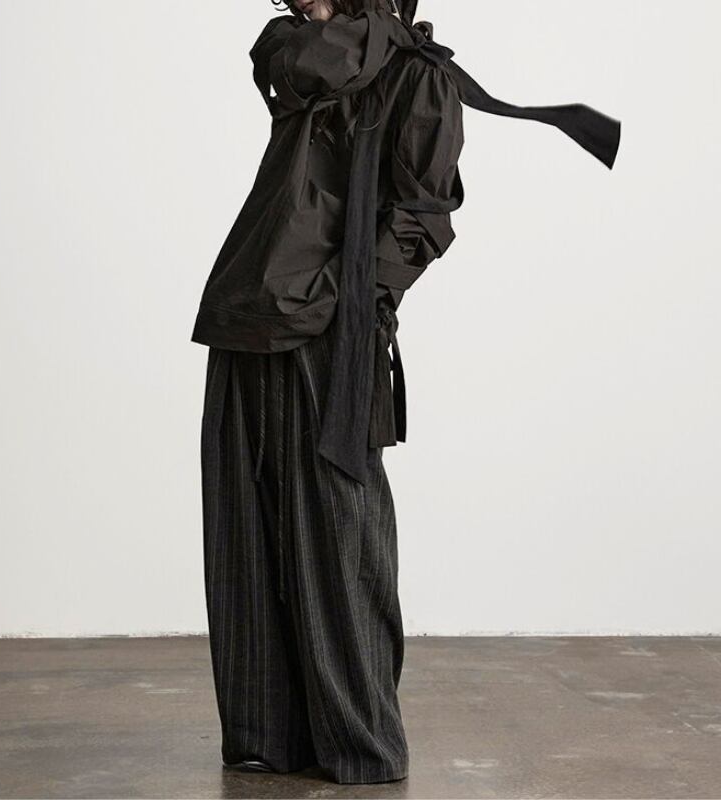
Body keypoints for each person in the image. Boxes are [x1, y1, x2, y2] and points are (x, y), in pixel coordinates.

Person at [190, 0, 620, 785]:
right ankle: (269, 737)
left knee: (341, 540)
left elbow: (424, 214)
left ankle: (359, 745)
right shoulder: (300, 58)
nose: (300, 5)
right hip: (245, 310)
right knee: (247, 533)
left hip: (329, 328)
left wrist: (357, 301)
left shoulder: (417, 78)